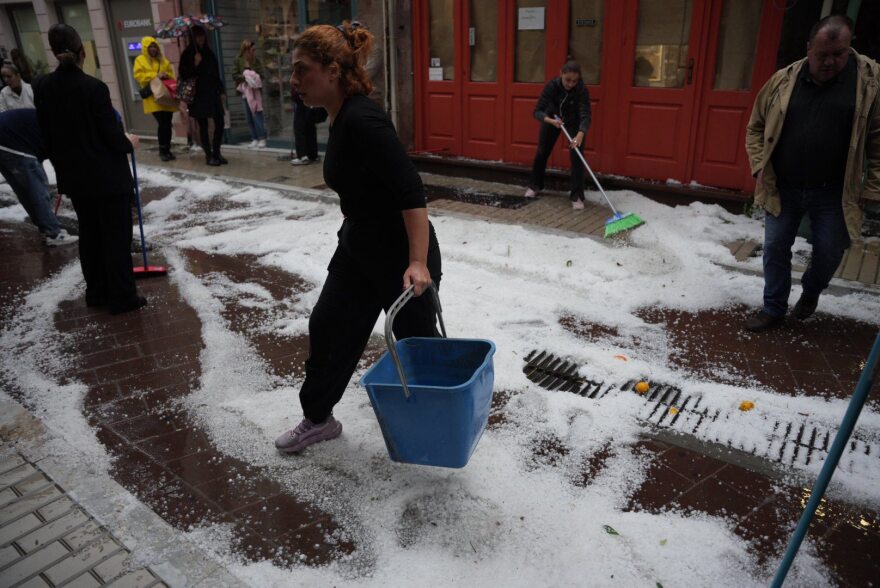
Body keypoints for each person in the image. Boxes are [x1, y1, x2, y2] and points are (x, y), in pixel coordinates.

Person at [274, 21, 442, 454]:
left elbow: (411, 191)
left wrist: (418, 262)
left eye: (301, 70)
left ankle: (438, 426)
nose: (294, 81)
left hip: (400, 257)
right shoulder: (340, 117)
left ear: (333, 71)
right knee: (328, 327)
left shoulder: (363, 119)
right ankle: (318, 419)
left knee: (416, 348)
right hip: (358, 248)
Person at [744, 15, 880, 332]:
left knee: (831, 250)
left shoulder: (868, 86)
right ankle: (773, 308)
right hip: (784, 185)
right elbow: (756, 127)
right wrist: (759, 164)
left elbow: (877, 140)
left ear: (849, 49)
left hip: (834, 190)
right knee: (776, 247)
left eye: (839, 53)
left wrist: (872, 189)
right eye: (822, 55)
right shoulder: (782, 81)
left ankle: (811, 290)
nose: (830, 62)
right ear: (808, 49)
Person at [33, 24, 146, 314]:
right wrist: (128, 142)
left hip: (75, 177)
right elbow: (110, 136)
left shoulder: (43, 87)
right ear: (82, 51)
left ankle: (96, 291)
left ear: (55, 51)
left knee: (91, 234)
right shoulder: (93, 88)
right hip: (107, 177)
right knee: (116, 236)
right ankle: (122, 296)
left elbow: (46, 134)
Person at [0, 109, 77, 246]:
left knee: (25, 190)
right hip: (13, 142)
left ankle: (46, 229)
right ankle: (53, 234)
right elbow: (60, 161)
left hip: (8, 141)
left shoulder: (54, 119)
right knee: (38, 189)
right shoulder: (63, 129)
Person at [524, 60, 592, 210]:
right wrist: (549, 120)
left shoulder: (581, 89)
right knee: (542, 151)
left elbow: (585, 114)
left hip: (574, 122)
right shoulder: (552, 86)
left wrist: (581, 133)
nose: (570, 84)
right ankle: (535, 185)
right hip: (552, 118)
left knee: (577, 156)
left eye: (574, 81)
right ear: (561, 73)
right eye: (567, 79)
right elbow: (537, 111)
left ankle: (577, 196)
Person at [179, 25, 227, 166]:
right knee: (203, 125)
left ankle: (217, 152)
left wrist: (221, 90)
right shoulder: (187, 54)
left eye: (202, 35)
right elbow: (184, 74)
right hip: (198, 96)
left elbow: (215, 73)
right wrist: (195, 64)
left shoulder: (209, 52)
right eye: (198, 36)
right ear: (192, 38)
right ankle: (209, 155)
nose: (201, 38)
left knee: (220, 122)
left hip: (212, 93)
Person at [133, 36, 178, 162]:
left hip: (165, 96)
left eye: (154, 46)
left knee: (167, 124)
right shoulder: (140, 60)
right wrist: (154, 75)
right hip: (153, 98)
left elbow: (171, 75)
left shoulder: (163, 60)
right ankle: (163, 150)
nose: (153, 49)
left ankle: (167, 150)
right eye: (150, 47)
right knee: (162, 124)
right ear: (146, 48)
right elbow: (138, 76)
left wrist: (166, 75)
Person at [232, 39, 267, 148]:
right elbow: (234, 75)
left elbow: (261, 74)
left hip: (255, 92)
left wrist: (253, 75)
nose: (254, 51)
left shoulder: (256, 61)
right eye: (252, 49)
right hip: (244, 92)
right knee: (249, 116)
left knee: (257, 114)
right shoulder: (238, 60)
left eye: (254, 49)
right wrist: (245, 77)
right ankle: (254, 138)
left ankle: (262, 137)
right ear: (246, 50)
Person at [289, 86, 324, 165]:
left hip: (302, 104)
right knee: (310, 129)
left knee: (300, 129)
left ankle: (303, 156)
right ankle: (313, 155)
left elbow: (295, 93)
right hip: (310, 104)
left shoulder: (300, 78)